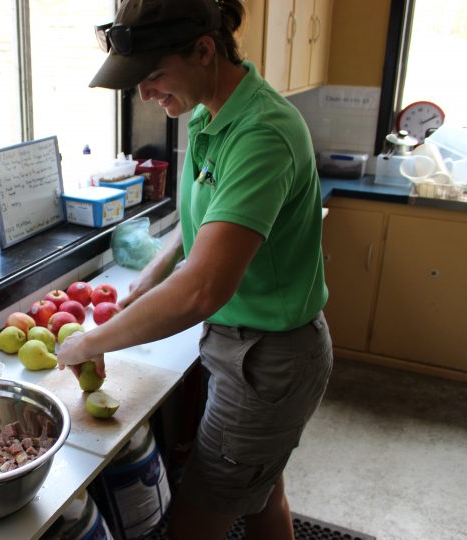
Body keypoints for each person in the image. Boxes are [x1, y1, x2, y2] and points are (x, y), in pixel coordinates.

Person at [56, 0, 334, 538]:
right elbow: (212, 215)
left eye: (154, 75)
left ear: (204, 50)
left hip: (268, 360)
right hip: (247, 347)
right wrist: (156, 271)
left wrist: (89, 344)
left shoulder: (261, 134)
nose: (144, 93)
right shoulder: (213, 114)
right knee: (260, 491)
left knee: (197, 519)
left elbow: (203, 289)